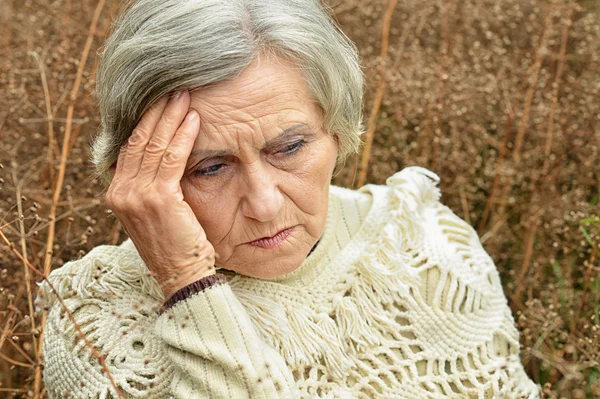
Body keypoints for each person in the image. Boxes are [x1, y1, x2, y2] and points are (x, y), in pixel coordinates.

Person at [36, 0, 542, 398]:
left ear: (338, 132)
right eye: (210, 167)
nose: (265, 203)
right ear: (140, 173)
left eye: (290, 147)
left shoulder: (422, 242)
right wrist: (186, 282)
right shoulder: (94, 317)